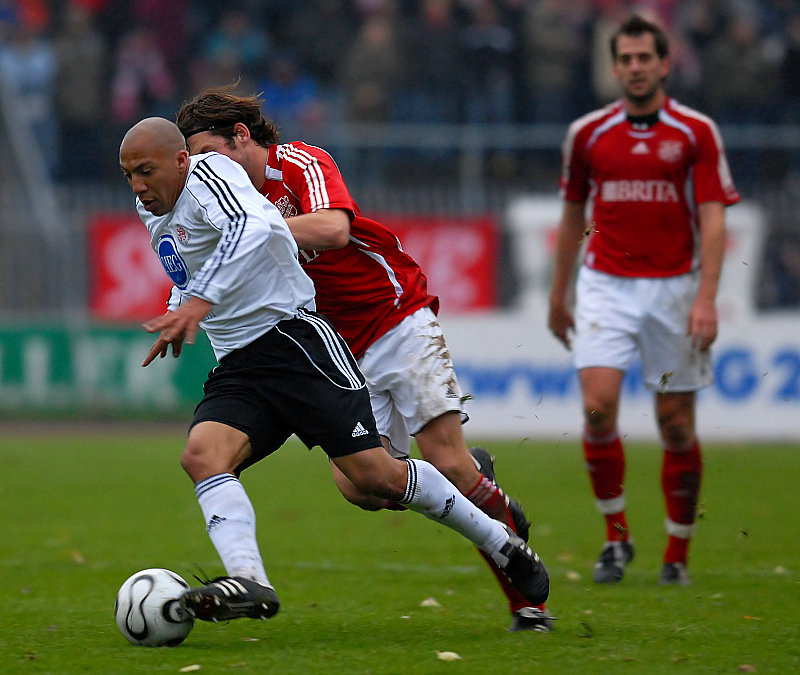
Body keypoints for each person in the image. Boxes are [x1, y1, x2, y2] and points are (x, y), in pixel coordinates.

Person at [118, 117, 549, 624]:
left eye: (145, 171)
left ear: (184, 159)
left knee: (387, 472)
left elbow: (261, 228)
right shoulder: (155, 212)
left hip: (301, 341)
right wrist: (179, 306)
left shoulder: (219, 172)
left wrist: (203, 296)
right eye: (128, 175)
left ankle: (503, 546)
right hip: (242, 363)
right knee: (205, 456)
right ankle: (250, 581)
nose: (137, 186)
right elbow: (189, 270)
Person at [548, 15, 740, 586]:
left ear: (664, 64)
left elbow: (713, 216)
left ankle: (676, 552)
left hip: (675, 286)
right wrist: (559, 293)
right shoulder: (587, 134)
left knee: (674, 423)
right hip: (605, 283)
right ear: (614, 67)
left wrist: (707, 298)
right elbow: (572, 215)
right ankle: (616, 539)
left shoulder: (696, 132)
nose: (635, 67)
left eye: (644, 58)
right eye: (626, 59)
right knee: (597, 408)